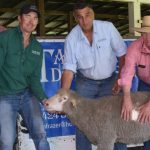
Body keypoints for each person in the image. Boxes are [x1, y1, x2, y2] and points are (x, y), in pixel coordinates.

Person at [61, 2, 127, 150]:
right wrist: (62, 96)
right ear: (75, 18)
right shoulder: (71, 38)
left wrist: (120, 80)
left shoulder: (108, 28)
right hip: (85, 83)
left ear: (93, 14)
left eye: (87, 15)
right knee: (81, 120)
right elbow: (68, 70)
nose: (84, 21)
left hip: (110, 81)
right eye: (80, 17)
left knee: (116, 120)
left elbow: (123, 55)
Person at [0, 4, 50, 150]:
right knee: (7, 140)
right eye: (27, 16)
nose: (31, 21)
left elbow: (34, 79)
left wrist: (44, 99)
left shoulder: (37, 48)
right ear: (19, 19)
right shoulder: (5, 38)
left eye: (35, 18)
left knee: (40, 134)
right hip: (5, 95)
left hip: (27, 94)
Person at [119, 15, 150, 150]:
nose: (148, 38)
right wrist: (127, 98)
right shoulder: (134, 47)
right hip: (144, 84)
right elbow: (127, 73)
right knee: (145, 120)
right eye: (145, 33)